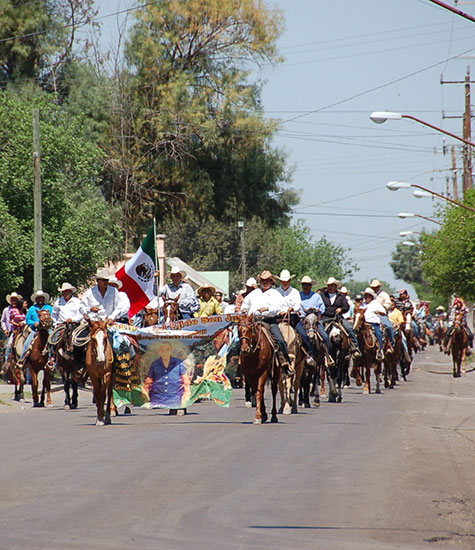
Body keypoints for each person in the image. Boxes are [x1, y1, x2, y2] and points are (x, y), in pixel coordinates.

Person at [241, 270, 292, 374]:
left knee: (280, 340)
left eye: (267, 280)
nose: (265, 282)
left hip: (269, 321)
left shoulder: (275, 293)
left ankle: (285, 363)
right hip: (253, 321)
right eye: (263, 280)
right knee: (241, 338)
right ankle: (237, 363)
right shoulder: (254, 293)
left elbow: (279, 307)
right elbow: (245, 303)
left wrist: (267, 308)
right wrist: (244, 309)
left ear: (271, 282)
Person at [276, 269, 315, 366]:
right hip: (279, 317)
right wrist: (279, 311)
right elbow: (273, 304)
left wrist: (292, 308)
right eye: (283, 281)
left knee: (304, 334)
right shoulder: (275, 292)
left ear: (289, 281)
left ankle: (308, 355)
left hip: (292, 317)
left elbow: (298, 304)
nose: (285, 283)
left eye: (286, 281)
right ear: (280, 281)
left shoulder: (295, 292)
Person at [145, 341, 191, 416]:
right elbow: (149, 380)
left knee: (178, 402)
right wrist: (145, 394)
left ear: (171, 351)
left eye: (167, 350)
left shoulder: (178, 363)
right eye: (162, 350)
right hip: (159, 395)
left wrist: (187, 391)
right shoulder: (155, 364)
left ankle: (180, 407)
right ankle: (172, 407)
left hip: (176, 394)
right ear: (159, 352)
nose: (165, 352)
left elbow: (185, 378)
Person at [320, 277, 361, 358]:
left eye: (332, 285)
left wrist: (341, 309)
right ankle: (317, 350)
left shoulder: (341, 296)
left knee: (350, 329)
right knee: (317, 331)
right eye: (329, 285)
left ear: (336, 286)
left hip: (338, 318)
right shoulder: (322, 296)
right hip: (325, 318)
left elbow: (346, 306)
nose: (330, 287)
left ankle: (354, 347)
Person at [299, 275, 334, 366]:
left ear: (311, 286)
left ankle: (328, 355)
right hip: (302, 319)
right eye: (304, 285)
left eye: (308, 285)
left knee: (325, 336)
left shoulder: (316, 296)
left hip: (314, 320)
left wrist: (316, 310)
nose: (306, 287)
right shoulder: (298, 296)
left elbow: (322, 308)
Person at [18, 290, 54, 367]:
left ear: (44, 299)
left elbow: (53, 318)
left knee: (53, 343)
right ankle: (22, 360)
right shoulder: (32, 308)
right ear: (36, 299)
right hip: (36, 330)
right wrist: (34, 323)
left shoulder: (49, 308)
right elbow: (28, 320)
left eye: (41, 298)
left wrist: (49, 323)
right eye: (38, 298)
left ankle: (52, 360)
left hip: (48, 329)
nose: (40, 299)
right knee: (27, 344)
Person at [361, 288, 387, 361]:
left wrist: (378, 312)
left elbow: (384, 312)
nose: (366, 298)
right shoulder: (363, 304)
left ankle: (380, 350)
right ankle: (354, 350)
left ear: (371, 297)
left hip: (374, 324)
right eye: (365, 296)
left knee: (378, 333)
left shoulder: (376, 304)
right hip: (364, 324)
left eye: (368, 296)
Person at [369, 279, 395, 352]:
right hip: (371, 314)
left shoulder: (384, 295)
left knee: (389, 326)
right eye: (373, 287)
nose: (374, 288)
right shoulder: (370, 294)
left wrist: (382, 307)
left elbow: (389, 303)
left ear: (379, 287)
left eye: (375, 287)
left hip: (381, 314)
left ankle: (391, 343)